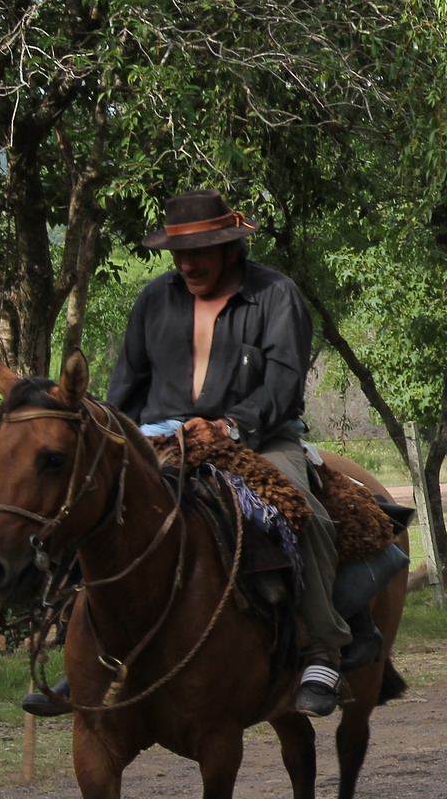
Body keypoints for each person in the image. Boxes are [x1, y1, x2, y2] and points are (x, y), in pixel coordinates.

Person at [26, 189, 353, 718]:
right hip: (160, 440)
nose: (187, 263)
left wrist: (228, 426)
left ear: (230, 248)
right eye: (179, 253)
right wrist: (114, 445)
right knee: (86, 508)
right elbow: (126, 387)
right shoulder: (155, 299)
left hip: (260, 437)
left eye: (200, 250)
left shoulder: (276, 295)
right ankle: (82, 648)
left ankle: (322, 648)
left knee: (298, 510)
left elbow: (283, 388)